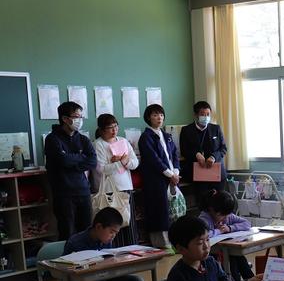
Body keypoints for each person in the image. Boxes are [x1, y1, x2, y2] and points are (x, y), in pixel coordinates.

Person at [45, 101, 97, 240]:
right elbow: (62, 160)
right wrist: (81, 157)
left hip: (83, 190)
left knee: (86, 232)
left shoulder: (83, 139)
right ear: (65, 119)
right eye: (76, 117)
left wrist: (73, 164)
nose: (80, 120)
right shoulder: (52, 139)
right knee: (67, 232)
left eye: (81, 117)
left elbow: (93, 161)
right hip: (64, 193)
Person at [138, 104, 180, 248]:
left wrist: (176, 172)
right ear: (148, 118)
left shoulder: (167, 136)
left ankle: (175, 240)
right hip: (156, 180)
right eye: (155, 115)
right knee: (158, 211)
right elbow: (153, 159)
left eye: (161, 115)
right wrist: (170, 174)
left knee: (172, 210)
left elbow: (174, 155)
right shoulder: (146, 137)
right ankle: (162, 244)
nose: (159, 118)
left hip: (171, 178)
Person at [93, 114, 139, 246]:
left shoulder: (123, 141)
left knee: (128, 222)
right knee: (112, 226)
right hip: (108, 191)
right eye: (110, 128)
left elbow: (135, 163)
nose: (114, 130)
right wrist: (119, 162)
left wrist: (125, 162)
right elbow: (101, 169)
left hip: (126, 187)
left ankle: (131, 250)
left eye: (116, 126)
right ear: (102, 130)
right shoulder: (98, 144)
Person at [199, 189, 254, 281]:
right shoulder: (204, 218)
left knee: (237, 255)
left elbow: (247, 223)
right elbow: (204, 234)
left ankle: (250, 279)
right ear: (212, 210)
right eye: (223, 216)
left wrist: (230, 228)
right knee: (231, 258)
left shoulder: (227, 216)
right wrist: (219, 231)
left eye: (227, 215)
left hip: (227, 247)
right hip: (211, 252)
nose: (225, 219)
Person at [179, 101, 228, 193]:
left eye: (208, 114)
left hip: (217, 173)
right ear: (195, 115)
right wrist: (196, 154)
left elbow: (223, 148)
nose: (206, 117)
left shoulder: (216, 129)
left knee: (219, 200)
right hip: (198, 174)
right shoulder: (186, 130)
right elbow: (184, 150)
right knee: (202, 199)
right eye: (202, 114)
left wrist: (213, 157)